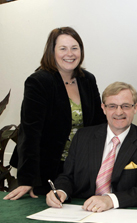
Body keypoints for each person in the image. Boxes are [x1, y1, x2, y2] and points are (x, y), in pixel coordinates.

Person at [4, 27, 106, 200]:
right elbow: (30, 133)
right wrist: (29, 179)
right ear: (52, 51)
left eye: (75, 48)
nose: (70, 54)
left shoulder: (88, 80)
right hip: (45, 169)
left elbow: (98, 122)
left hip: (79, 168)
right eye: (63, 48)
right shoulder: (39, 82)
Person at [46, 82, 137, 212]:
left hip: (121, 213)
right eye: (112, 106)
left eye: (126, 106)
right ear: (103, 108)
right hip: (80, 210)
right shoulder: (82, 137)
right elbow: (67, 176)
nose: (119, 112)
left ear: (135, 108)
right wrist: (60, 191)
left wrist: (109, 200)